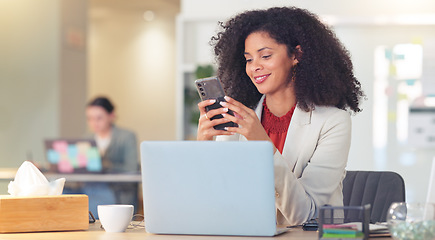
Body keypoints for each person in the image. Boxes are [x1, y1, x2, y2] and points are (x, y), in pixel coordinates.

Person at [197, 7, 365, 226]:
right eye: (248, 59)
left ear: (296, 55)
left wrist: (262, 143)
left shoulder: (333, 122)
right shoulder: (238, 117)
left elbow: (305, 214)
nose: (255, 67)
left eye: (265, 56)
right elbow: (215, 201)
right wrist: (203, 148)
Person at [68, 96, 139, 218]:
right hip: (89, 188)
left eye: (99, 118)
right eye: (90, 118)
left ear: (112, 116)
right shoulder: (86, 139)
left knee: (96, 197)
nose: (94, 123)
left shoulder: (126, 137)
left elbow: (131, 168)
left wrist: (104, 164)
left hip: (115, 191)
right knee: (65, 194)